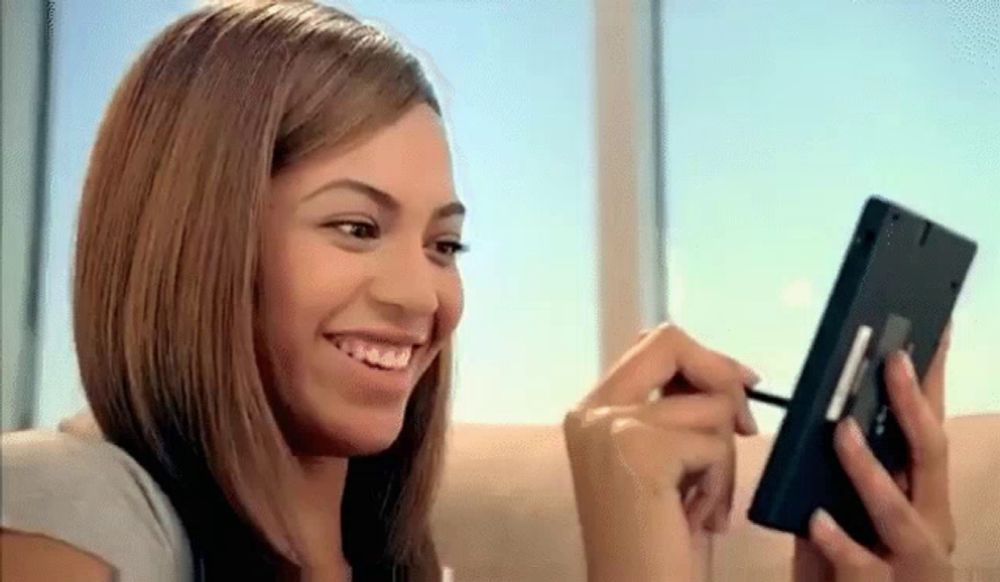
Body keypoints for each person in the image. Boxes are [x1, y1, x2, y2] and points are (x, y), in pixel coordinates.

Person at [0, 1, 957, 581]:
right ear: (197, 242)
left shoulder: (400, 564)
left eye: (444, 243)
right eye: (356, 227)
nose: (422, 296)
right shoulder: (67, 502)